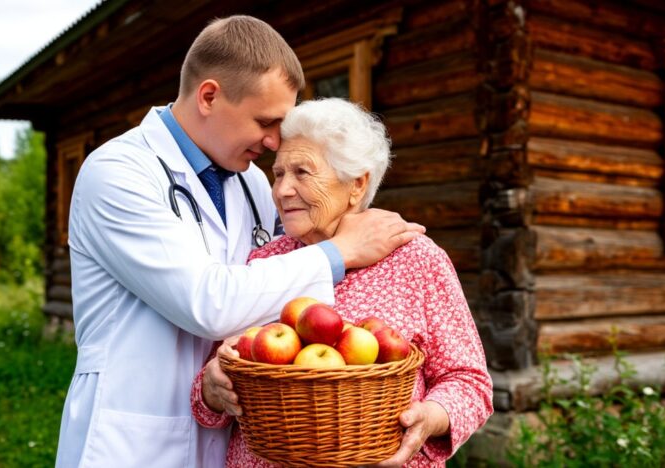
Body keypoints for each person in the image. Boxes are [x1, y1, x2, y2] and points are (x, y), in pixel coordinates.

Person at [54, 16, 424, 468]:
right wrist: (341, 251)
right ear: (209, 96)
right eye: (265, 122)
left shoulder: (252, 183)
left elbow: (280, 279)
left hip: (231, 435)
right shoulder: (118, 173)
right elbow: (209, 303)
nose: (273, 143)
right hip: (134, 438)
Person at [192, 98, 493, 467]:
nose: (282, 190)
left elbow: (469, 382)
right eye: (278, 174)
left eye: (302, 172)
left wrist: (431, 416)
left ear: (357, 183)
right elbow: (211, 384)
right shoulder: (264, 261)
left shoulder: (417, 260)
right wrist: (212, 388)